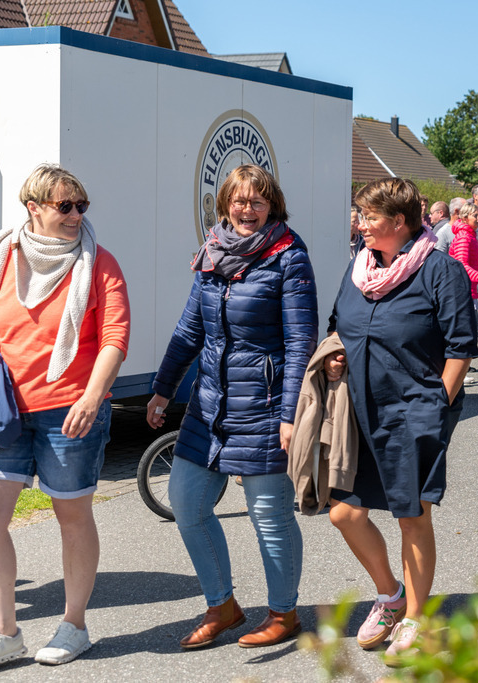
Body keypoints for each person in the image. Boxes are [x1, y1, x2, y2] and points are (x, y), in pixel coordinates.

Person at [0, 164, 130, 675]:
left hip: (69, 408)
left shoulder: (100, 264)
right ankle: (4, 633)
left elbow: (115, 337)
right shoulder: (1, 258)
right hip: (4, 407)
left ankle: (74, 625)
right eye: (64, 206)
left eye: (82, 206)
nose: (77, 216)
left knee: (71, 516)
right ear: (33, 208)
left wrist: (93, 397)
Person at [146, 165, 318, 651]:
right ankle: (222, 605)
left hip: (264, 405)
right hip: (209, 405)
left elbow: (301, 340)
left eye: (257, 202)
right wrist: (162, 388)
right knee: (186, 501)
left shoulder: (288, 256)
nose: (247, 210)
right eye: (239, 201)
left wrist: (289, 415)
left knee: (269, 513)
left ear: (273, 206)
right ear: (225, 205)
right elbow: (188, 330)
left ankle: (284, 613)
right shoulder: (210, 255)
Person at [323, 177, 477, 663]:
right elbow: (335, 325)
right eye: (360, 215)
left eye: (370, 216)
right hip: (358, 410)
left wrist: (437, 405)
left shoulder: (440, 270)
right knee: (344, 512)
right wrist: (332, 356)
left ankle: (414, 615)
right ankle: (389, 595)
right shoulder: (359, 267)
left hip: (413, 413)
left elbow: (460, 348)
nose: (361, 223)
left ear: (399, 222)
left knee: (412, 516)